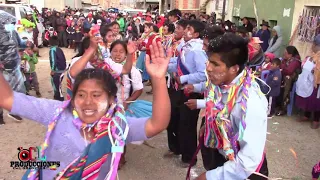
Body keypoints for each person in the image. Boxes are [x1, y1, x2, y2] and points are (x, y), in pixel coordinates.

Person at [0, 39, 171, 179]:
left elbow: (157, 124)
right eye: (81, 95)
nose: (88, 102)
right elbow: (7, 98)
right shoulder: (58, 112)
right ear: (73, 98)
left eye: (97, 95)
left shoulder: (117, 126)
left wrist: (158, 80)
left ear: (112, 99)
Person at [194, 33, 268, 180]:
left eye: (215, 64)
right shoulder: (221, 83)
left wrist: (210, 177)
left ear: (234, 68)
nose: (208, 68)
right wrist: (211, 127)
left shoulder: (251, 102)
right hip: (224, 158)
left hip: (244, 172)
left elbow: (247, 163)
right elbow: (218, 106)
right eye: (209, 62)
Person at [166, 20, 207, 168]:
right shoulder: (185, 45)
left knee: (187, 124)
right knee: (174, 119)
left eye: (188, 28)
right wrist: (165, 63)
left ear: (196, 34)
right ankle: (176, 148)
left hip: (191, 91)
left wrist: (183, 78)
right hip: (179, 88)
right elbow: (178, 62)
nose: (184, 31)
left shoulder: (197, 50)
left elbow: (203, 74)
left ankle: (189, 157)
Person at [295, 34, 320, 129]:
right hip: (307, 82)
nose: (313, 46)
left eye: (316, 45)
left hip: (317, 83)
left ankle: (316, 120)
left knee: (316, 101)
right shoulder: (311, 55)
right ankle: (306, 115)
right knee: (307, 99)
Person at [276, 46, 301, 116]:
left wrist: (283, 68)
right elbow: (282, 68)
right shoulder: (285, 60)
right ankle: (276, 103)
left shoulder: (295, 61)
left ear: (290, 55)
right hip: (284, 78)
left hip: (292, 82)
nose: (284, 54)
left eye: (286, 53)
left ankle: (284, 106)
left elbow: (289, 71)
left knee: (287, 80)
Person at [49, 36, 67, 101]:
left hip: (57, 71)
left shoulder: (52, 50)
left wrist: (53, 70)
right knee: (57, 84)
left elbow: (54, 60)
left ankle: (60, 98)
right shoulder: (59, 49)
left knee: (56, 85)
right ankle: (57, 96)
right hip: (62, 70)